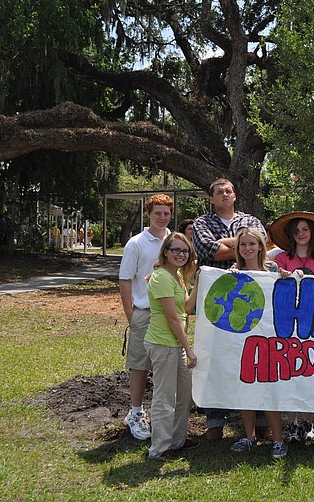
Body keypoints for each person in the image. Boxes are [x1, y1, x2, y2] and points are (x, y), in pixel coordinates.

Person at [191, 178, 266, 439]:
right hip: (217, 304)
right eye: (219, 192)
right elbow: (206, 250)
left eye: (229, 191)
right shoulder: (201, 223)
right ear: (211, 198)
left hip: (250, 304)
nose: (225, 194)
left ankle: (262, 420)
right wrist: (242, 243)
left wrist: (225, 242)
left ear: (235, 196)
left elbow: (260, 244)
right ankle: (214, 420)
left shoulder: (252, 220)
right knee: (214, 359)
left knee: (255, 356)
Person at [227, 227, 288, 459]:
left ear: (261, 246)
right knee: (246, 387)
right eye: (243, 245)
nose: (247, 249)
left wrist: (288, 277)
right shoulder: (233, 272)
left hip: (269, 338)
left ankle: (278, 439)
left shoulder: (272, 268)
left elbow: (289, 286)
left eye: (252, 244)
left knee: (268, 387)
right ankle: (249, 437)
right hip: (242, 338)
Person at [270, 211, 314, 442]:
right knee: (289, 370)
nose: (301, 234)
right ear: (291, 235)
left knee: (310, 370)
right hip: (287, 321)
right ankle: (292, 423)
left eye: (305, 229)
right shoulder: (282, 259)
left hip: (313, 321)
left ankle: (308, 422)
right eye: (297, 230)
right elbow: (274, 276)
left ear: (312, 233)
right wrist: (283, 274)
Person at [119, 193, 174, 440]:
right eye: (157, 213)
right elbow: (125, 279)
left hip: (170, 314)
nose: (162, 218)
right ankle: (136, 413)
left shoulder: (174, 241)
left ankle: (164, 415)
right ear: (148, 214)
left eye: (166, 213)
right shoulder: (137, 243)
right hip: (144, 313)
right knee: (140, 366)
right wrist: (131, 314)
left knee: (167, 367)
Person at [144, 232, 199, 460]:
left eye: (184, 250)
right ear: (165, 251)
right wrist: (188, 348)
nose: (180, 254)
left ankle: (177, 442)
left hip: (176, 344)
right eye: (175, 249)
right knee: (164, 399)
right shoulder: (160, 278)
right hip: (163, 344)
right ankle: (159, 449)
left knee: (184, 396)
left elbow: (186, 308)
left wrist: (199, 282)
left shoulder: (176, 276)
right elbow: (172, 318)